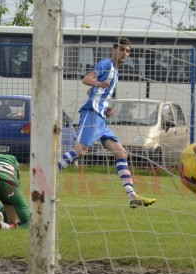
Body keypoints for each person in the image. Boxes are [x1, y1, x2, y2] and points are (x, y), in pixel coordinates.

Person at [57, 37, 155, 208]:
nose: (125, 53)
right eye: (122, 49)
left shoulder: (115, 71)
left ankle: (132, 196)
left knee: (121, 153)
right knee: (80, 150)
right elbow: (87, 79)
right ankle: (47, 175)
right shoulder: (106, 64)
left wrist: (106, 107)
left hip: (100, 117)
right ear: (114, 50)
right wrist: (99, 83)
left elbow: (91, 91)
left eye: (127, 51)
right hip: (92, 114)